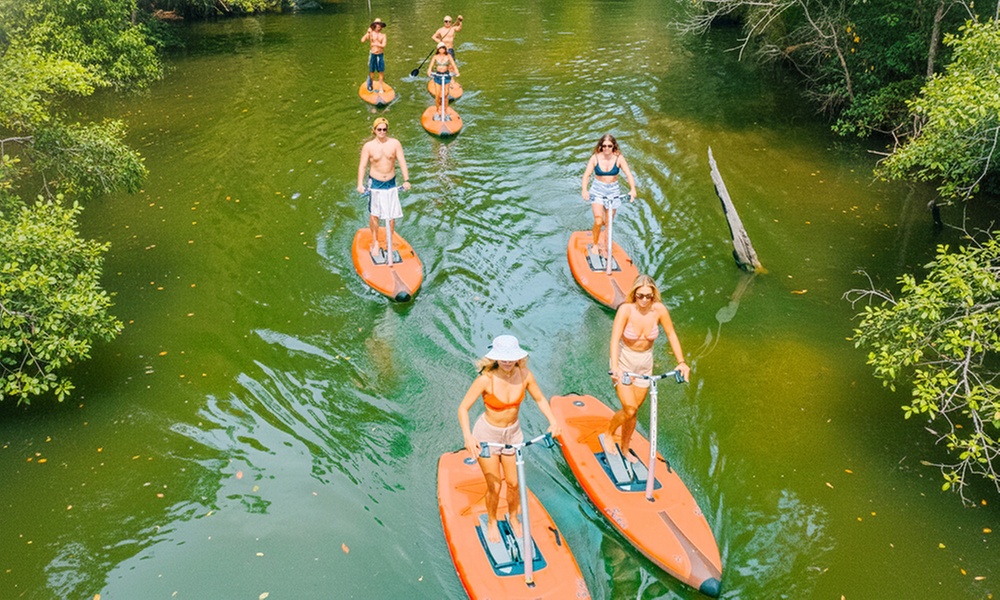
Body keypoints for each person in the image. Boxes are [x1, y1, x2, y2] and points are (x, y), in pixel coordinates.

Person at [458, 335, 560, 543]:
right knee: (494, 486)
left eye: (510, 357)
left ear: (518, 358)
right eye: (502, 358)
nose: (507, 361)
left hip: (513, 434)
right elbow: (463, 408)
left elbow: (540, 399)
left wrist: (553, 420)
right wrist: (468, 437)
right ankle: (492, 521)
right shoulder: (486, 380)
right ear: (495, 358)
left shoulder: (525, 375)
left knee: (513, 483)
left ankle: (514, 518)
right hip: (487, 434)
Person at [607, 274, 690, 460]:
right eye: (640, 295)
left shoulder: (659, 310)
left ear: (654, 295)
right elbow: (614, 339)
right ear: (634, 294)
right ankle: (609, 433)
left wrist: (682, 362)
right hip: (624, 362)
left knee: (634, 410)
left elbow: (671, 335)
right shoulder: (626, 310)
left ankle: (626, 447)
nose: (644, 300)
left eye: (648, 296)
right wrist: (615, 367)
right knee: (628, 408)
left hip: (645, 365)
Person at [357, 118, 411, 255]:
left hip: (391, 182)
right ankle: (375, 241)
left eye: (384, 129)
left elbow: (402, 161)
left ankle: (389, 241)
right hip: (375, 182)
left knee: (391, 214)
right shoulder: (368, 146)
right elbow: (363, 165)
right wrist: (359, 184)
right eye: (379, 129)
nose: (382, 132)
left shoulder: (394, 144)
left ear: (387, 130)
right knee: (375, 214)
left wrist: (406, 180)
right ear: (374, 130)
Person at [581, 134, 637, 253]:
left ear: (613, 146)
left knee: (608, 223)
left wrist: (633, 189)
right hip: (598, 190)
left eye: (609, 146)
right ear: (601, 146)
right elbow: (586, 175)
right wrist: (584, 190)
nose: (606, 148)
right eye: (604, 146)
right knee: (598, 221)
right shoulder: (595, 158)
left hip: (613, 191)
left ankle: (606, 246)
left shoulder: (619, 158)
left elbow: (628, 174)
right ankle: (595, 244)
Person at [427, 43, 460, 114]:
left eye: (443, 48)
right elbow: (431, 66)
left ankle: (445, 109)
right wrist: (429, 71)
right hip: (438, 75)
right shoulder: (435, 57)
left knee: (446, 94)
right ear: (438, 49)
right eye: (440, 48)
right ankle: (437, 109)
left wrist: (456, 72)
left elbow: (453, 64)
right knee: (438, 94)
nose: (441, 50)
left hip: (446, 75)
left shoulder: (448, 56)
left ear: (445, 49)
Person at [361, 18, 387, 92]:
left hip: (380, 54)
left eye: (380, 24)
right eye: (377, 24)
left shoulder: (383, 35)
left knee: (381, 71)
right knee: (371, 71)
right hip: (373, 54)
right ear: (374, 25)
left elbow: (384, 45)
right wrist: (368, 33)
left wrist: (376, 44)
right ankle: (370, 85)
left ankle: (381, 88)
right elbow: (362, 40)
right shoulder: (371, 33)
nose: (379, 26)